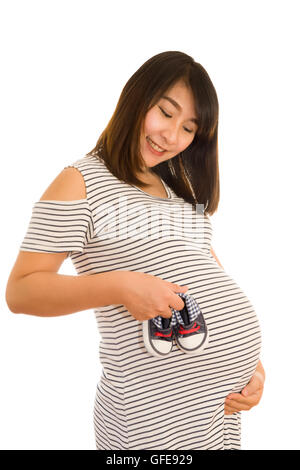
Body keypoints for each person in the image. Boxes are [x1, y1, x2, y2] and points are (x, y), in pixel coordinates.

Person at [5, 50, 265, 450]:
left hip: (215, 416)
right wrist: (121, 286)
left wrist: (251, 366)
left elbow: (208, 274)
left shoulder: (180, 190)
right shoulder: (81, 182)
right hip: (151, 425)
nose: (171, 136)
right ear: (136, 98)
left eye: (189, 128)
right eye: (165, 112)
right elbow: (21, 291)